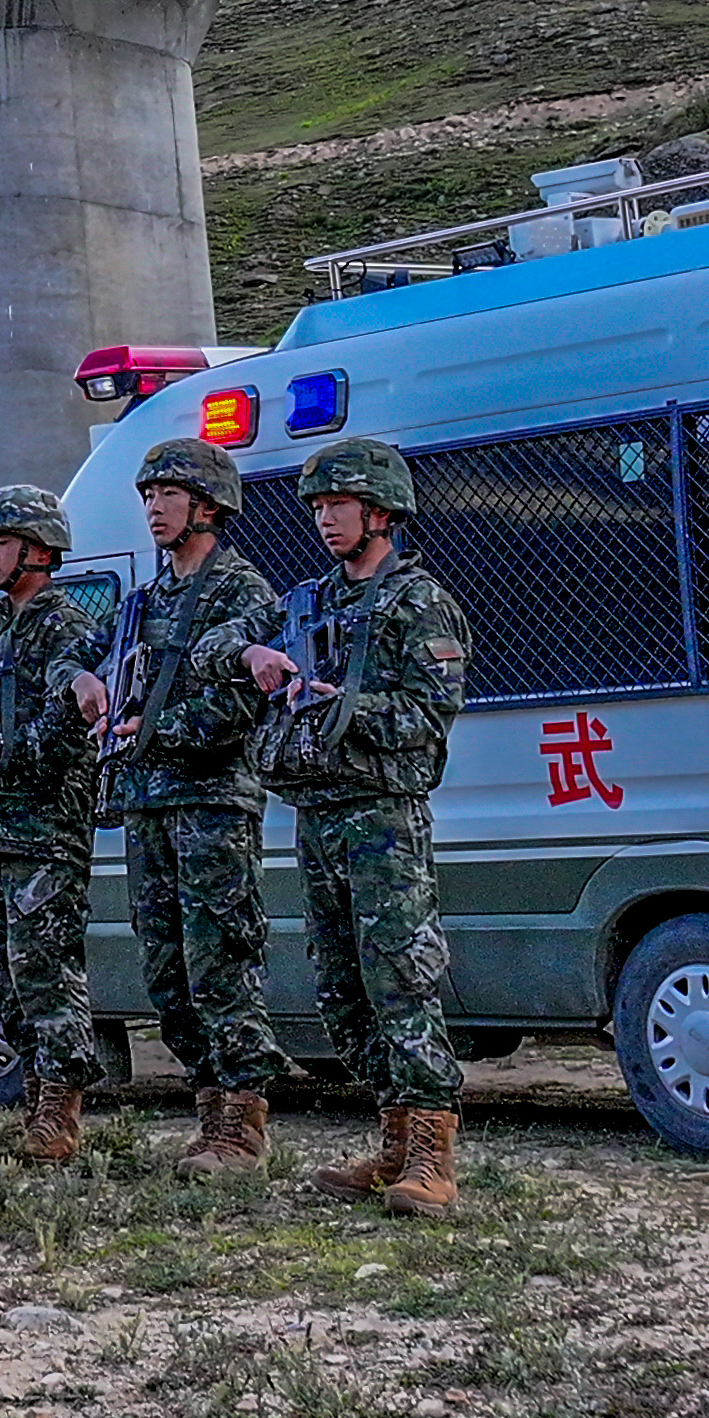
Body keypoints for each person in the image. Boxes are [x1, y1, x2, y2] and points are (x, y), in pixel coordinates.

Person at [244, 434, 474, 1220]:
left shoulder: (419, 603)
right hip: (318, 813)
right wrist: (258, 663)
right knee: (342, 985)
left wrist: (341, 701)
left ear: (381, 511)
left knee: (400, 979)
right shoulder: (310, 602)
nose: (325, 520)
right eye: (317, 507)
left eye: (338, 504)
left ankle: (430, 1156)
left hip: (382, 817)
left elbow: (429, 718)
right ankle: (392, 1135)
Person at [99, 434, 284, 1173]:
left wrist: (154, 731)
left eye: (166, 495)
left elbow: (238, 708)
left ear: (207, 506)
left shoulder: (244, 594)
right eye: (147, 496)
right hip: (150, 805)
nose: (152, 508)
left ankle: (241, 1125)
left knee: (221, 961)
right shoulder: (148, 600)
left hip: (211, 804)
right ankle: (209, 1111)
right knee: (168, 971)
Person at [0, 483, 109, 1165]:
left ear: (39, 550)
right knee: (1, 976)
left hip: (42, 828)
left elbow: (67, 721)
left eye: (0, 542)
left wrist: (2, 754)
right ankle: (39, 1097)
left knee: (45, 971)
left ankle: (59, 1112)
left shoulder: (62, 624)